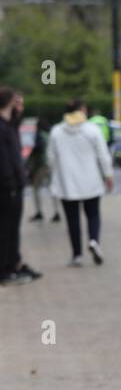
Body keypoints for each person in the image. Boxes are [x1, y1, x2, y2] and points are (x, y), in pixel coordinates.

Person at [47, 97, 114, 267]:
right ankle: (93, 240)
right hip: (90, 181)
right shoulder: (92, 130)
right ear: (82, 110)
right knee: (93, 214)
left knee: (72, 220)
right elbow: (103, 155)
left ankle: (77, 255)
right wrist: (108, 175)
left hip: (67, 183)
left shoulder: (56, 131)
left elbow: (50, 159)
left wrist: (55, 176)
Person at [0, 86, 38, 285]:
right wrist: (10, 182)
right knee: (6, 229)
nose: (21, 107)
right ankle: (6, 268)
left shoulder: (11, 125)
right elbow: (5, 160)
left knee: (12, 229)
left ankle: (14, 263)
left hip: (15, 184)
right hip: (8, 187)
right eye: (18, 103)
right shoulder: (3, 127)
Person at [25, 118, 61, 224]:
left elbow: (37, 149)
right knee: (52, 189)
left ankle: (39, 211)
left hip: (40, 166)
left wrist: (29, 164)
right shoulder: (50, 135)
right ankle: (56, 212)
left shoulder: (39, 135)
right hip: (50, 165)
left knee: (36, 189)